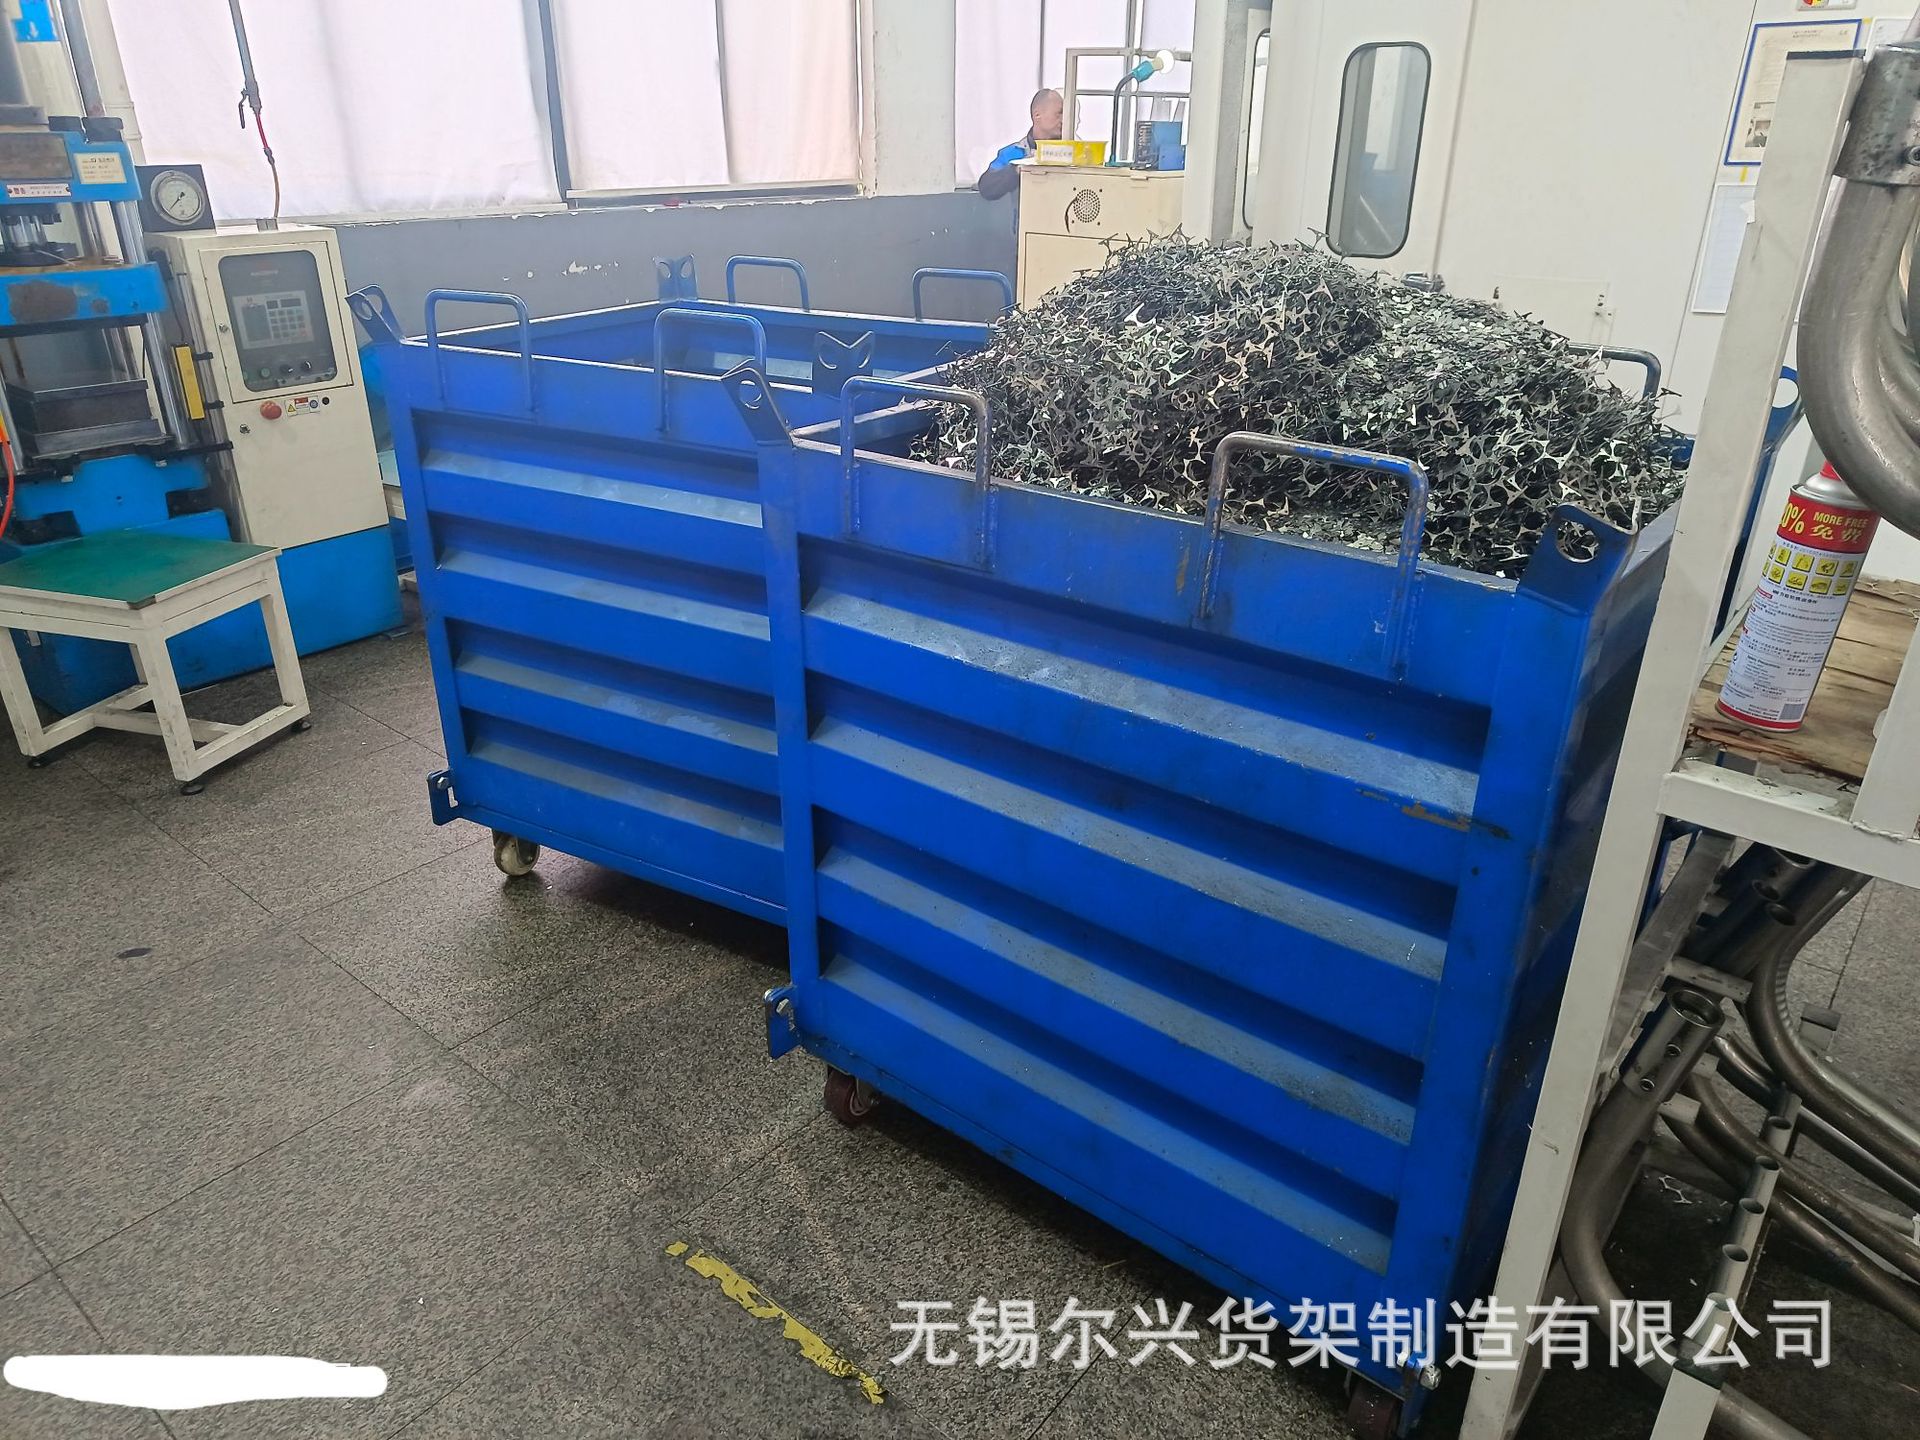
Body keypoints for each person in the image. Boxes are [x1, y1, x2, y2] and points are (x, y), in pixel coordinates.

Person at [977, 88, 1064, 201]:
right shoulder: (1015, 153)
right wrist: (1017, 170)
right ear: (1037, 115)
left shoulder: (1073, 153)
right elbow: (987, 188)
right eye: (1059, 114)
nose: (1063, 120)